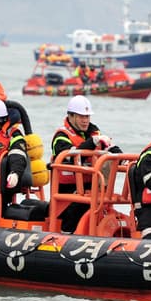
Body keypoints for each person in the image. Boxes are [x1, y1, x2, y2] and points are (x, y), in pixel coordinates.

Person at [51, 95, 122, 232]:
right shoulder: (60, 137)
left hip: (92, 187)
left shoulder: (95, 133)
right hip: (67, 190)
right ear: (70, 116)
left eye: (87, 117)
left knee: (104, 204)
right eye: (81, 117)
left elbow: (110, 148)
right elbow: (71, 157)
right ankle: (67, 235)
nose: (85, 121)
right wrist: (92, 142)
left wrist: (121, 157)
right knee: (76, 210)